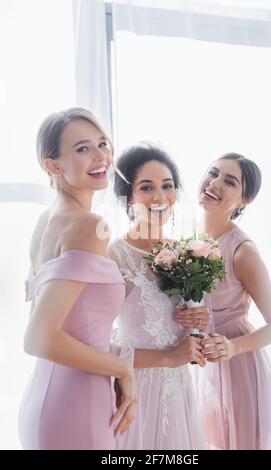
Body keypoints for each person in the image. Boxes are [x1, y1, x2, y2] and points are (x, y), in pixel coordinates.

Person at [18, 108, 136, 450]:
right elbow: (38, 337)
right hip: (77, 403)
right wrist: (123, 369)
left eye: (102, 144)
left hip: (47, 395)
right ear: (52, 165)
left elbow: (66, 325)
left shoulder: (47, 221)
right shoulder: (88, 226)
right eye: (83, 149)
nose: (101, 156)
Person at [108, 144, 209, 450]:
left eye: (167, 186)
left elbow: (187, 330)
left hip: (179, 392)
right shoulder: (115, 256)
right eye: (146, 187)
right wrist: (166, 357)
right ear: (129, 196)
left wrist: (200, 323)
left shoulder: (186, 252)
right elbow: (96, 342)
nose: (160, 197)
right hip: (136, 392)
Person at [197, 152, 271, 450]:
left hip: (240, 369)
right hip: (206, 368)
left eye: (229, 181)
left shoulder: (242, 250)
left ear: (243, 200)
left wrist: (232, 347)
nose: (214, 183)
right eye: (213, 173)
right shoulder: (191, 241)